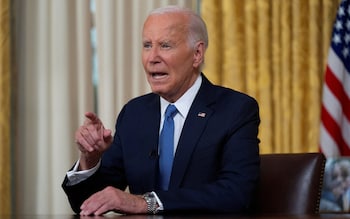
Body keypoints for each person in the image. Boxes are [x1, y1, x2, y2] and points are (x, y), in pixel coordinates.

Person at [62, 5, 260, 216]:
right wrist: (89, 160)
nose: (152, 57)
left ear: (197, 54)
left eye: (165, 45)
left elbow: (237, 194)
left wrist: (146, 203)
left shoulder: (235, 109)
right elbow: (86, 204)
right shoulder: (134, 114)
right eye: (147, 45)